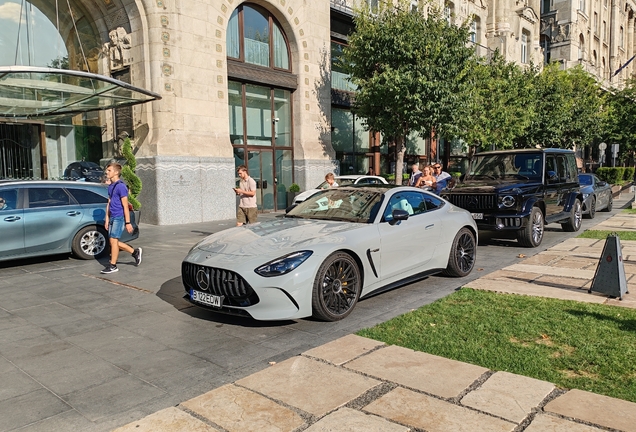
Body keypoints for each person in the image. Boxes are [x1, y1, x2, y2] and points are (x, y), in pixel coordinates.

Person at [101, 163, 142, 274]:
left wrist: (128, 222)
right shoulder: (111, 186)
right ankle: (134, 252)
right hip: (112, 217)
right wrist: (107, 218)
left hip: (119, 217)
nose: (107, 172)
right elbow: (109, 202)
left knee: (113, 241)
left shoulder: (121, 186)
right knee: (113, 242)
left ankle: (113, 265)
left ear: (116, 172)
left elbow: (125, 205)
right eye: (107, 170)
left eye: (109, 170)